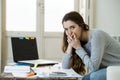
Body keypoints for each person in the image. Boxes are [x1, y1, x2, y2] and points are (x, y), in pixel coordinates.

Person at [61, 11, 120, 80]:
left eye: (72, 27)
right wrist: (71, 45)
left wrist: (78, 47)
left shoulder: (96, 35)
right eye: (66, 29)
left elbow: (93, 68)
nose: (69, 33)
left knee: (94, 76)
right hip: (108, 69)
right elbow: (65, 67)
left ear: (81, 26)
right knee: (85, 78)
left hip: (117, 67)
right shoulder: (78, 40)